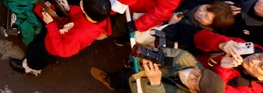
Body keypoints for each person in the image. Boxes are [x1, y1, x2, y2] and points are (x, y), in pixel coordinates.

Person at [9, 0, 110, 76]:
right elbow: (80, 15)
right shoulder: (97, 16)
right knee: (37, 45)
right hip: (56, 33)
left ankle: (30, 67)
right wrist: (69, 9)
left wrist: (51, 24)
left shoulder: (80, 35)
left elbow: (63, 50)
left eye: (82, 2)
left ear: (84, 10)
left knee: (35, 56)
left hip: (50, 48)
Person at [91, 48, 225, 93]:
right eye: (198, 74)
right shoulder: (186, 58)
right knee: (123, 76)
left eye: (196, 82)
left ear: (193, 91)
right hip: (138, 75)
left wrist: (155, 85)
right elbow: (159, 53)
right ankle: (112, 82)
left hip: (145, 89)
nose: (192, 76)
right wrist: (145, 60)